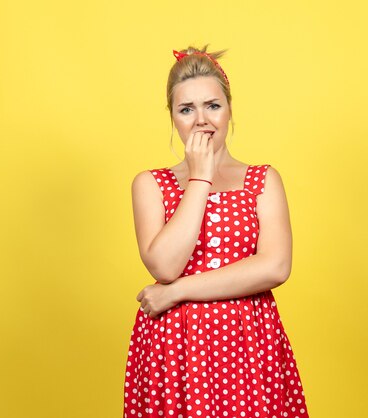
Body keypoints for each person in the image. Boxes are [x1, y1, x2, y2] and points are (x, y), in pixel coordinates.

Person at [123, 44, 309, 418]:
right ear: (173, 118)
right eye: (186, 109)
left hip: (249, 346)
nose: (201, 120)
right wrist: (200, 177)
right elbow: (164, 266)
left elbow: (275, 267)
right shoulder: (150, 184)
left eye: (212, 105)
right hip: (174, 351)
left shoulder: (263, 180)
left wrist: (175, 293)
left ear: (229, 110)